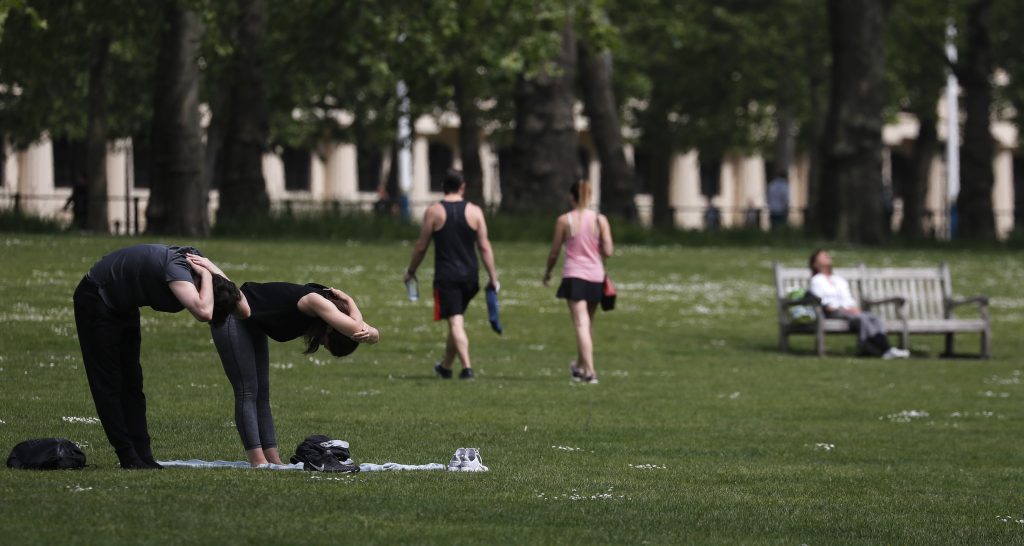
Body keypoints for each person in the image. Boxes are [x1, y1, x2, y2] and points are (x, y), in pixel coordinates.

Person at [73, 245, 246, 469]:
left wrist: (212, 268)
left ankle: (143, 455)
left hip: (124, 305)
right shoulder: (179, 270)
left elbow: (244, 309)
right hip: (96, 298)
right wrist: (206, 273)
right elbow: (204, 312)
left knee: (133, 383)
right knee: (109, 384)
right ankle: (128, 456)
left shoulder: (203, 267)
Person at [207, 279, 380, 466]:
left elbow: (375, 335)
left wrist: (362, 325)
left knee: (262, 394)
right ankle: (257, 461)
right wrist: (351, 301)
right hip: (232, 314)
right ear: (331, 327)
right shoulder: (316, 301)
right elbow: (356, 328)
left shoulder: (335, 314)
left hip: (252, 323)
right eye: (325, 341)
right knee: (247, 391)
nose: (320, 343)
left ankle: (273, 459)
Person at [404, 169, 499, 380]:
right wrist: (493, 277)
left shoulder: (434, 211)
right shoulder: (475, 211)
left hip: (448, 277)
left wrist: (411, 271)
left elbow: (421, 246)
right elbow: (484, 246)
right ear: (463, 187)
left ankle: (467, 369)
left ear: (443, 186)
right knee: (456, 321)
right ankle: (445, 367)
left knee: (455, 322)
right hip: (470, 278)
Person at [542, 180, 614, 384]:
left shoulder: (564, 221)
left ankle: (590, 371)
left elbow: (555, 252)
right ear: (590, 197)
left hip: (574, 275)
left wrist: (548, 272)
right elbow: (608, 251)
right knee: (587, 324)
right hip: (595, 276)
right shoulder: (600, 220)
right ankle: (580, 366)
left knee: (581, 324)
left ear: (571, 197)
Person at [807, 249, 910, 359]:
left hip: (849, 311)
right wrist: (844, 310)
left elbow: (848, 299)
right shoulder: (816, 280)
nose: (827, 256)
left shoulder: (839, 280)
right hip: (832, 312)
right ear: (815, 263)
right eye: (823, 256)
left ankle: (876, 347)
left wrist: (853, 308)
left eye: (827, 255)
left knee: (875, 317)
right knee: (863, 319)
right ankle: (884, 349)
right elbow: (822, 302)